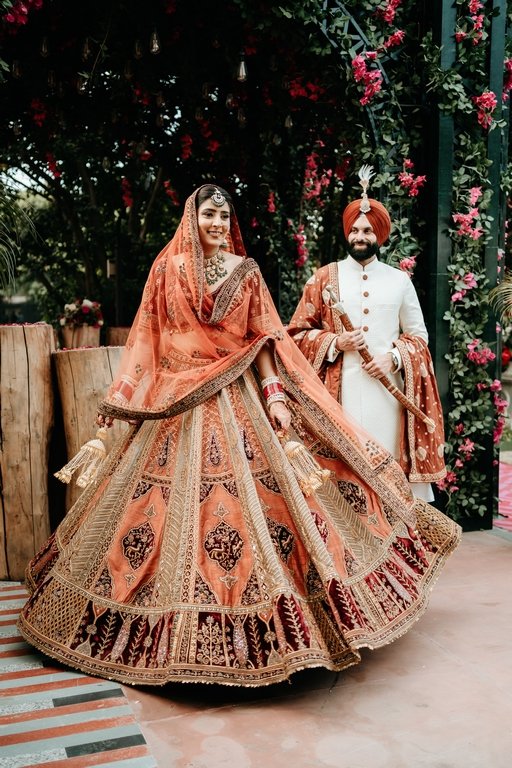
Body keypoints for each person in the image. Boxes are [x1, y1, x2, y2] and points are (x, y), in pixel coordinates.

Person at [19, 184, 460, 688]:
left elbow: (265, 340)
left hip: (240, 398)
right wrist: (122, 400)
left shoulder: (245, 272)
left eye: (224, 216)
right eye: (209, 214)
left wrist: (275, 397)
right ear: (192, 220)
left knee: (273, 510)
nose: (217, 223)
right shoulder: (167, 270)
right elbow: (148, 339)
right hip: (174, 402)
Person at [287, 170, 446, 503]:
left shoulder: (399, 281)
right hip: (337, 397)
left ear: (380, 235)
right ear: (348, 233)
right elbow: (296, 334)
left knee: (387, 480)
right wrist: (336, 342)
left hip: (387, 398)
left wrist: (393, 358)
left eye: (368, 230)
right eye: (355, 230)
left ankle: (392, 534)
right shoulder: (324, 278)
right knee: (342, 481)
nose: (360, 236)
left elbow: (419, 336)